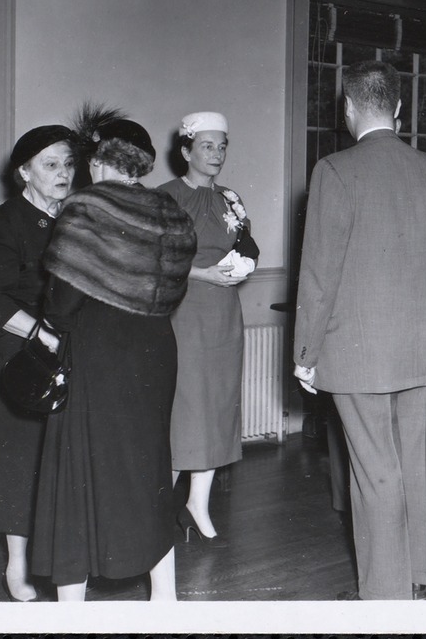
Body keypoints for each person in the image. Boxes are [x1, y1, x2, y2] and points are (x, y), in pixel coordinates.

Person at [292, 60, 426, 601]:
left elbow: (319, 273)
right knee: (418, 463)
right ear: (398, 108)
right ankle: (417, 577)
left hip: (358, 350)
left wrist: (306, 352)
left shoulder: (335, 170)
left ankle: (385, 597)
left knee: (375, 473)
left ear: (347, 110)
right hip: (423, 348)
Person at [30, 106, 197, 600]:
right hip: (154, 353)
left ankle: (72, 608)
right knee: (148, 468)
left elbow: (61, 304)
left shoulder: (87, 207)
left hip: (97, 354)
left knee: (77, 472)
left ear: (97, 160)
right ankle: (164, 596)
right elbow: (174, 290)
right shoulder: (171, 210)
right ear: (140, 163)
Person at [0, 125, 75, 602]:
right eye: (50, 164)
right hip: (21, 358)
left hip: (71, 353)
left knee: (64, 458)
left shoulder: (77, 218)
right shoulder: (4, 221)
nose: (63, 173)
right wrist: (42, 333)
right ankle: (16, 566)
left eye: (68, 163)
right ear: (24, 173)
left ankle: (63, 559)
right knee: (20, 461)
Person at [160, 111, 257, 546]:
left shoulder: (231, 199)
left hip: (224, 314)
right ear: (185, 151)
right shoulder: (166, 197)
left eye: (222, 146)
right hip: (184, 310)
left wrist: (243, 266)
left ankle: (198, 501)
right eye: (207, 146)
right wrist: (204, 275)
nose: (216, 154)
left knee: (218, 404)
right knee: (184, 407)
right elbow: (156, 258)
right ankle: (160, 504)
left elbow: (246, 244)